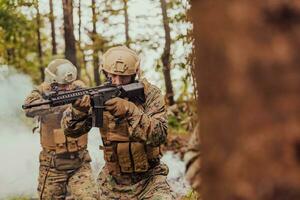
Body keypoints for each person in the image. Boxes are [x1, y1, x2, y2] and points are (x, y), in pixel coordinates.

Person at [62, 46, 174, 199]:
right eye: (113, 76)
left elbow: (159, 134)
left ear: (135, 74)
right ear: (105, 72)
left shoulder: (150, 94)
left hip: (149, 180)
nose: (117, 82)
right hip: (111, 181)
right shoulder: (98, 95)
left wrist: (130, 111)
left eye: (124, 77)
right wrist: (78, 111)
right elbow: (71, 132)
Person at [24, 59, 98, 200]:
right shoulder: (41, 92)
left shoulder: (79, 88)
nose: (68, 88)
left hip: (80, 162)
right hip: (52, 165)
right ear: (52, 81)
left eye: (70, 84)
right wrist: (59, 103)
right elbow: (28, 108)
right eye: (63, 85)